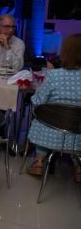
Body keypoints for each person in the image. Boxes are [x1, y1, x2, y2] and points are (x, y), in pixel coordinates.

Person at [26, 34, 81, 179]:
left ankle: (38, 162)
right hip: (78, 133)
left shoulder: (54, 75)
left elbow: (37, 101)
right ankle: (78, 166)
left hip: (52, 132)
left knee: (42, 120)